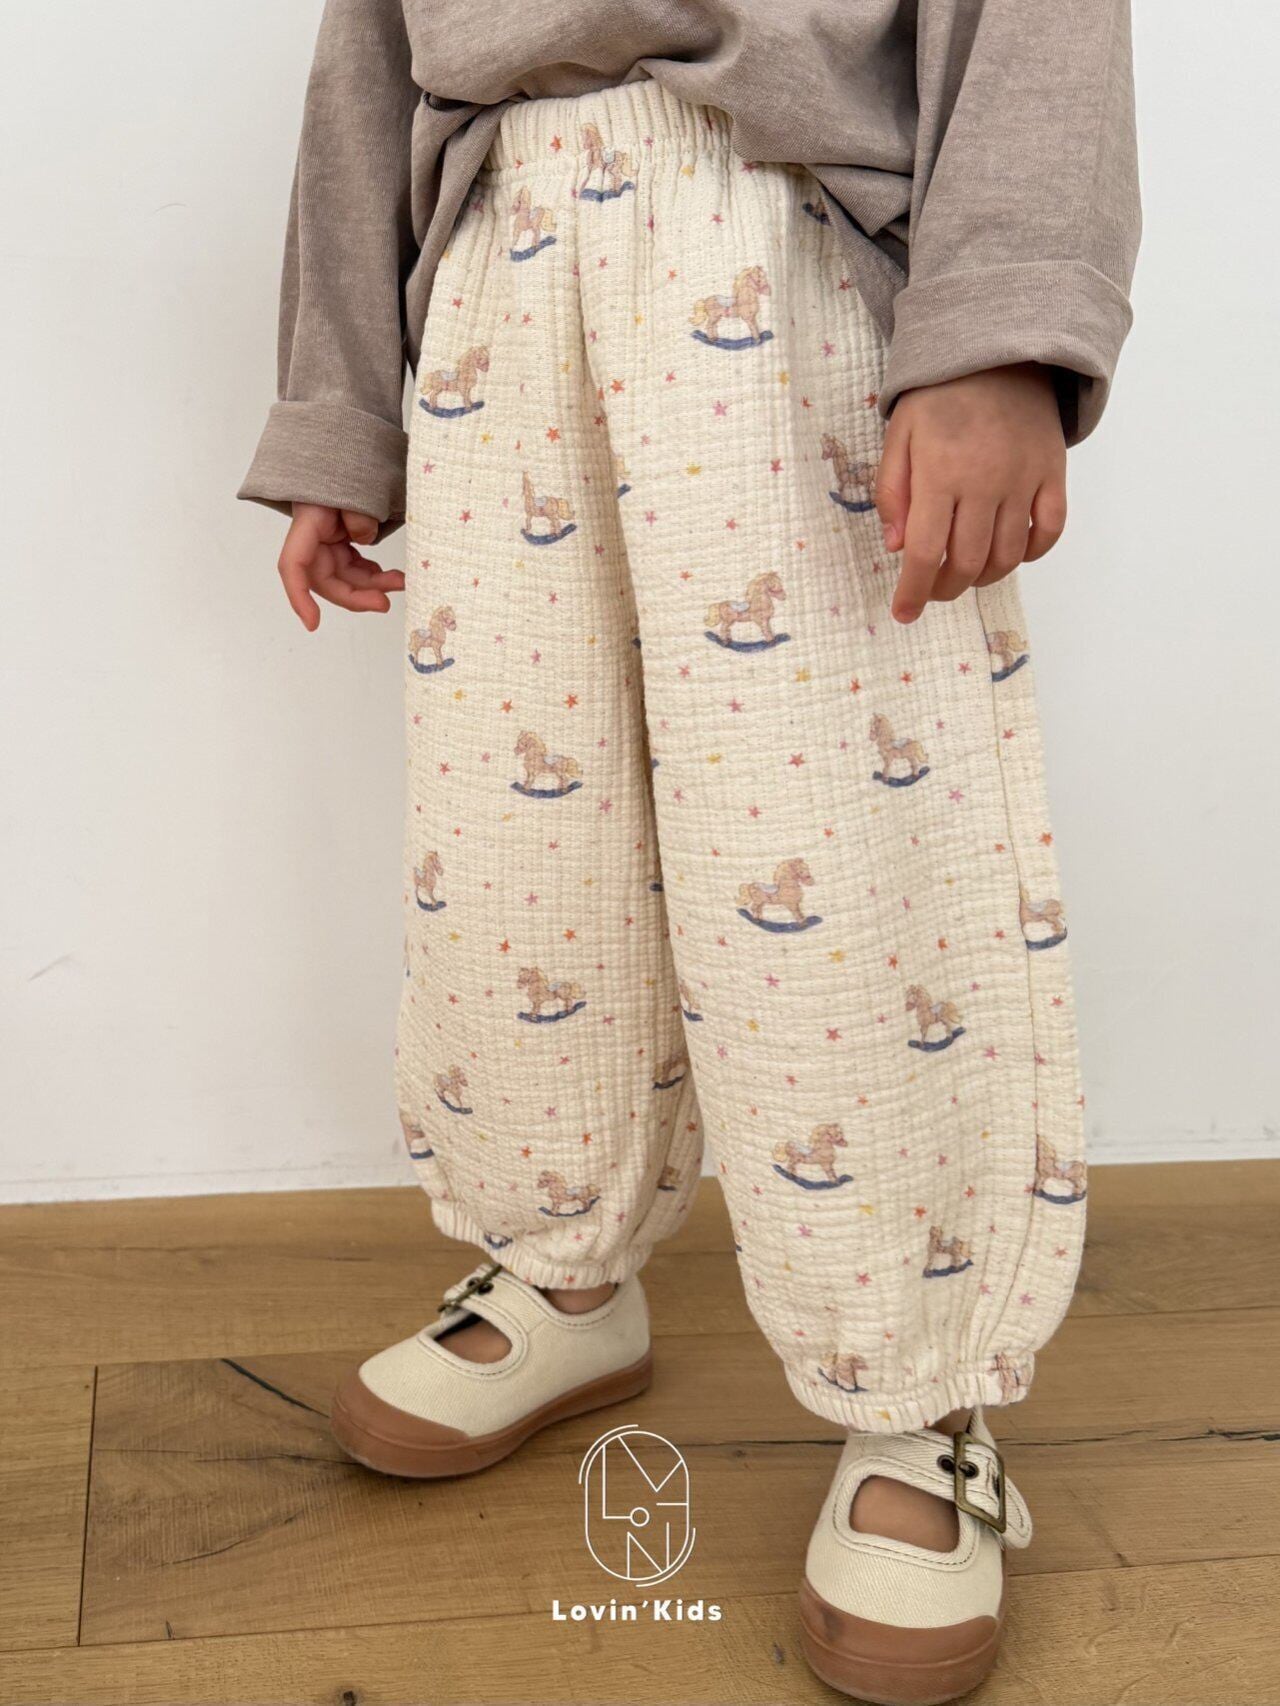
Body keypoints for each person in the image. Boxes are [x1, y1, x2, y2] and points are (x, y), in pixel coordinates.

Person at [239, 5, 1139, 1699]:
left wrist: (1003, 334)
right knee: (519, 839)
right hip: (500, 267)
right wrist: (339, 406)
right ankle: (564, 1261)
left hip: (791, 245)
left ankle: (919, 1391)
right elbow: (368, 56)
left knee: (846, 853)